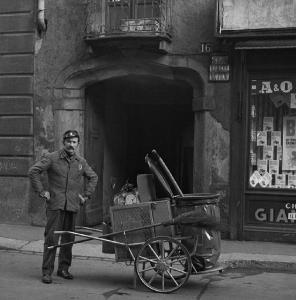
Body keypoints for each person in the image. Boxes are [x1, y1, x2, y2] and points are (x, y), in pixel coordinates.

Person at [28, 130, 98, 284]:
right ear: (64, 142)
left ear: (78, 144)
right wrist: (41, 191)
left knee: (68, 239)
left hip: (72, 205)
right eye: (68, 141)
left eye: (74, 142)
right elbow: (33, 171)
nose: (71, 145)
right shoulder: (52, 158)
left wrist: (86, 195)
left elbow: (93, 177)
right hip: (56, 205)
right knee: (52, 238)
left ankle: (63, 269)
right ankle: (47, 272)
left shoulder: (81, 162)